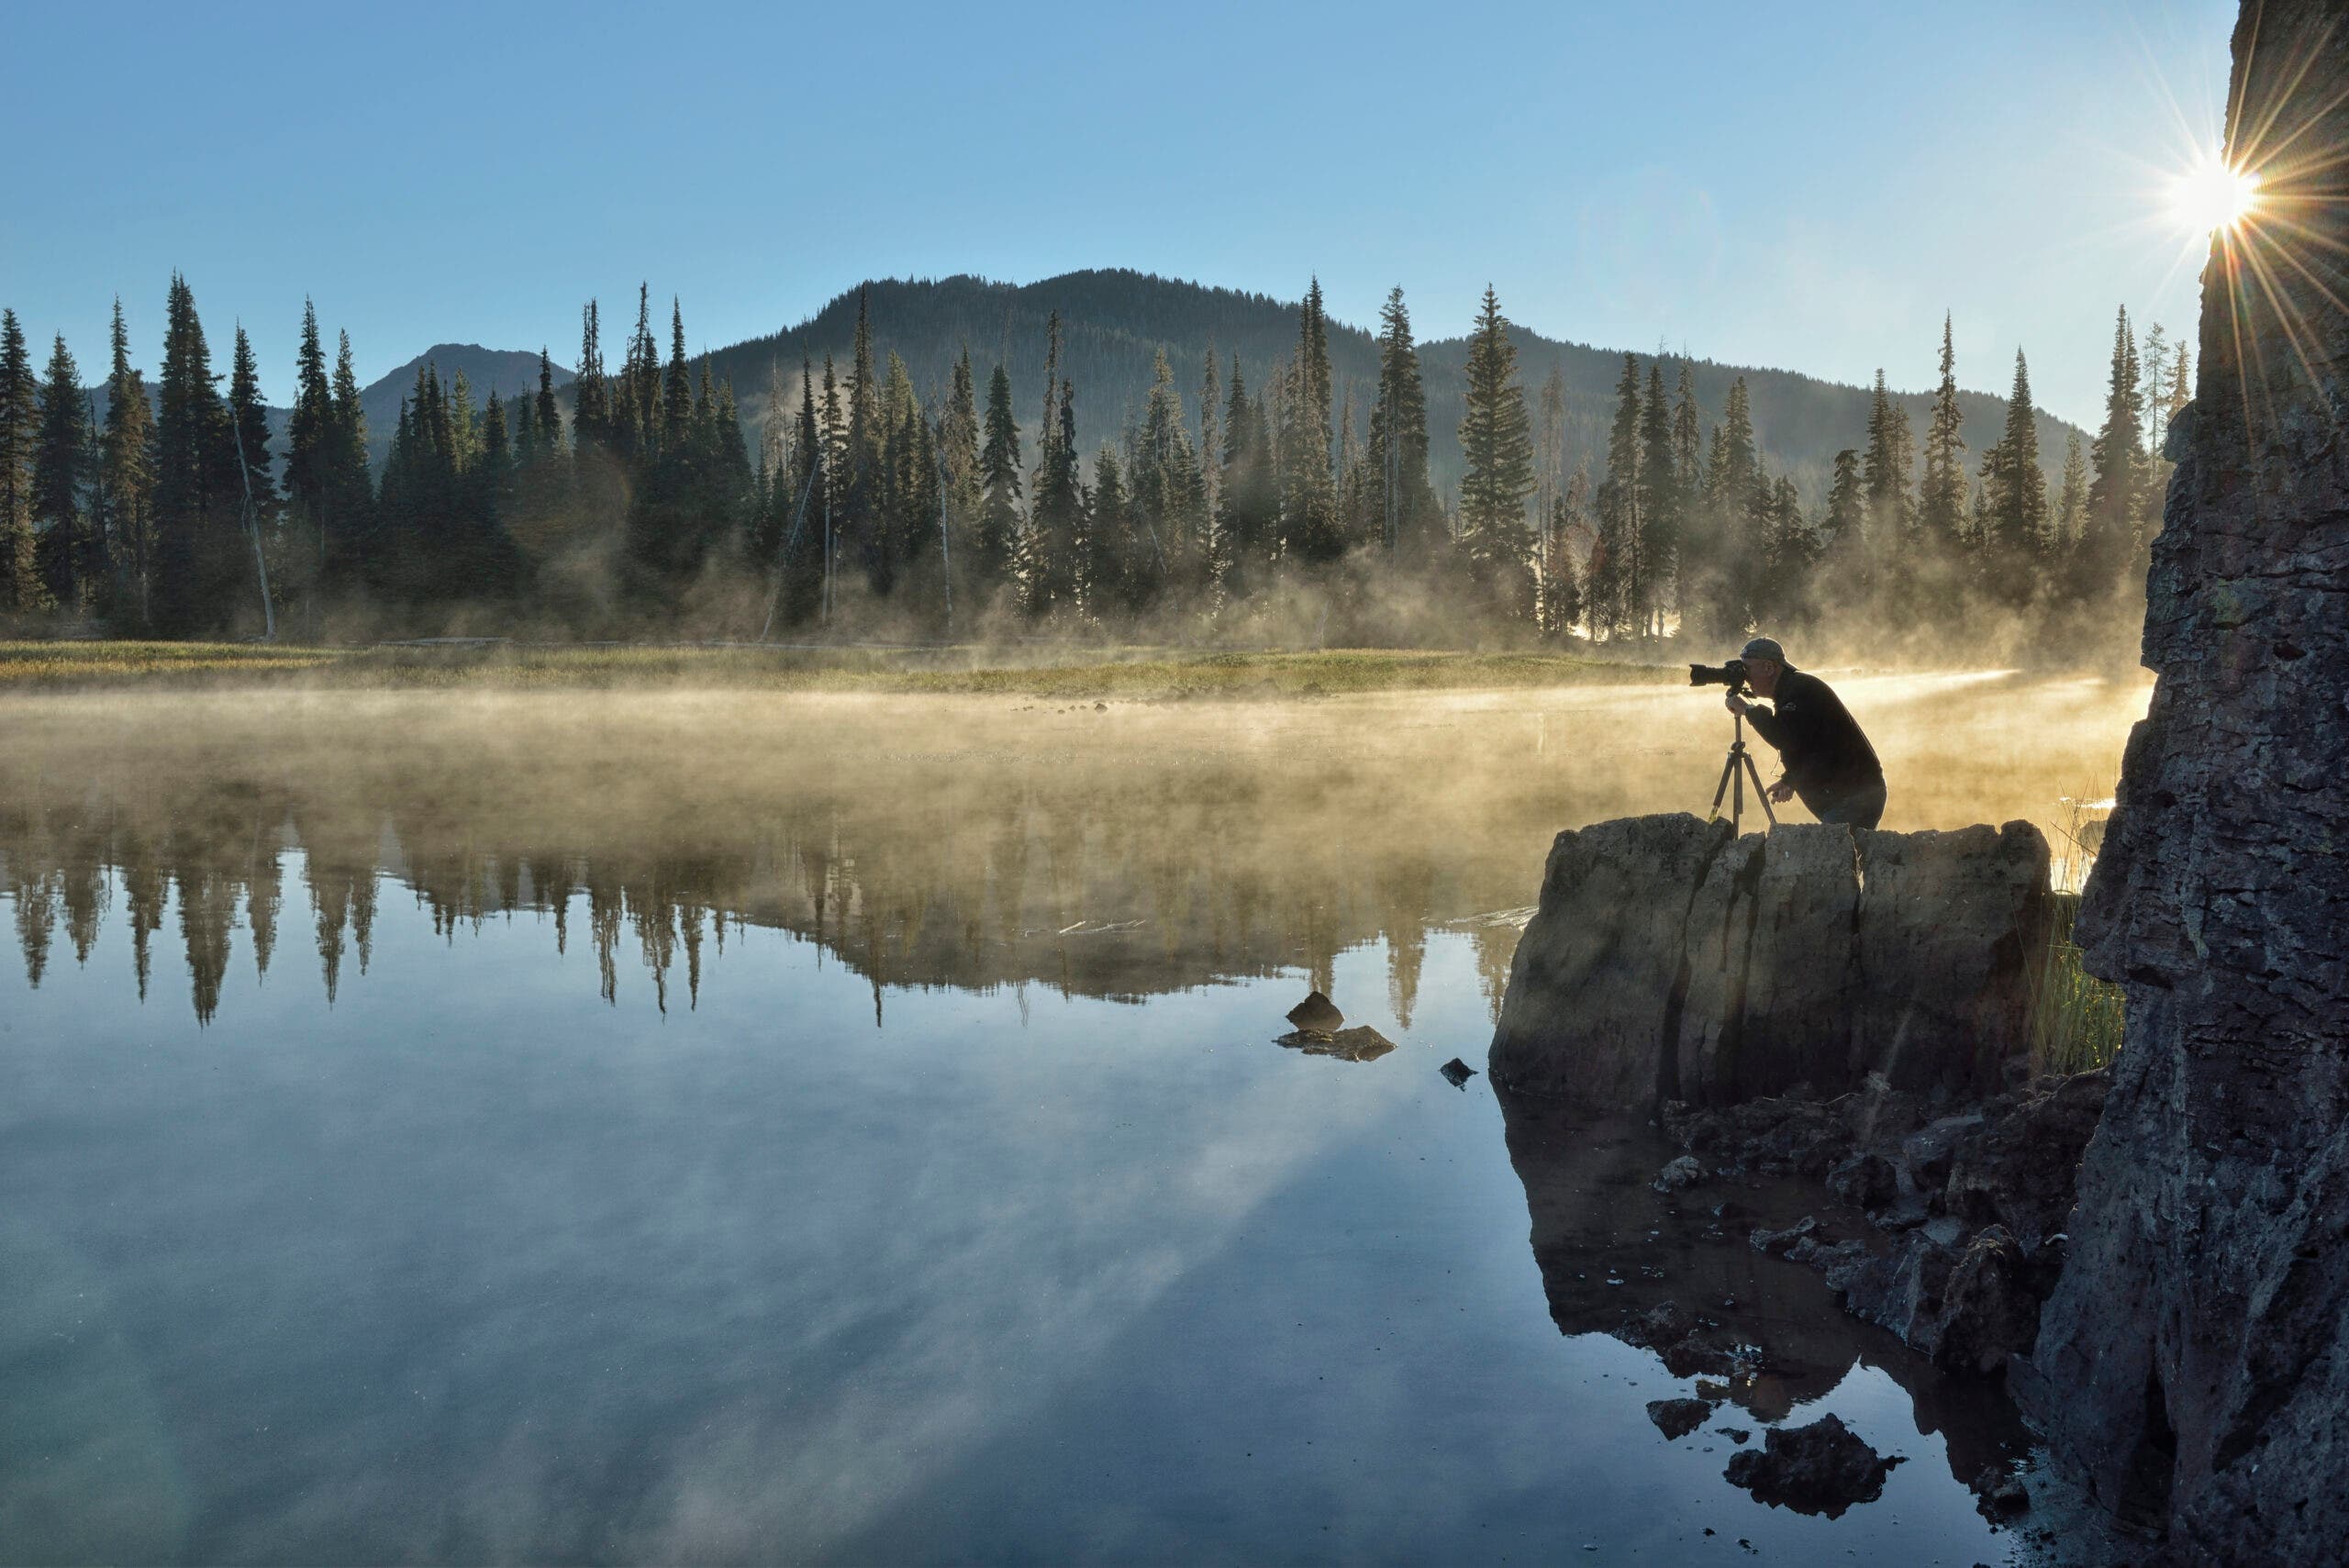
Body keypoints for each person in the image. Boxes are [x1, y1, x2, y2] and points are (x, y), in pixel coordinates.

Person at [1722, 637, 1887, 829]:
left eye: (1747, 669)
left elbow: (1782, 737)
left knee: (1831, 856)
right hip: (1854, 793)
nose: (1745, 677)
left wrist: (1748, 710)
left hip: (1855, 795)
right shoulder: (1793, 689)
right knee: (1843, 855)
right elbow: (1812, 746)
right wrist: (1790, 781)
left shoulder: (1799, 690)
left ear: (1769, 667)